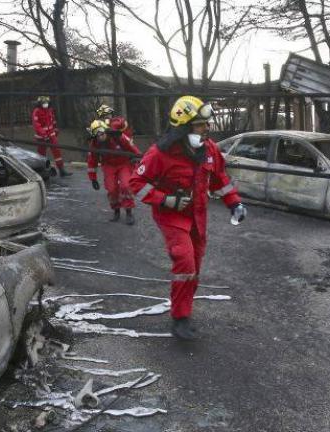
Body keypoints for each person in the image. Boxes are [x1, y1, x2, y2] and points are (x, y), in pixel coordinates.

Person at [129, 95, 247, 340]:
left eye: (206, 123)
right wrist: (166, 200)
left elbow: (220, 180)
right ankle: (180, 318)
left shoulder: (209, 149)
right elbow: (136, 183)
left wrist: (234, 202)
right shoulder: (160, 153)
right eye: (200, 124)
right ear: (183, 127)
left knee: (194, 268)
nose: (206, 128)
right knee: (185, 262)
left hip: (198, 216)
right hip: (172, 217)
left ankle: (185, 310)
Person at [87, 120, 141, 225]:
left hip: (124, 163)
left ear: (106, 131)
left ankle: (129, 212)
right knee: (111, 189)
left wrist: (138, 158)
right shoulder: (95, 144)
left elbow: (132, 148)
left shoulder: (118, 137)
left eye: (102, 133)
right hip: (108, 165)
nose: (100, 136)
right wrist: (93, 178)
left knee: (125, 186)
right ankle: (116, 210)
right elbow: (92, 161)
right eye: (97, 135)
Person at [32, 95, 72, 177]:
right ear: (39, 103)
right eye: (44, 103)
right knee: (41, 154)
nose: (45, 104)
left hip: (51, 135)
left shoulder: (50, 110)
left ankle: (61, 170)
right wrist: (44, 134)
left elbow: (53, 120)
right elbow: (37, 125)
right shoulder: (36, 111)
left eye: (47, 102)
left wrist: (55, 129)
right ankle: (42, 171)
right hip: (41, 137)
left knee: (57, 152)